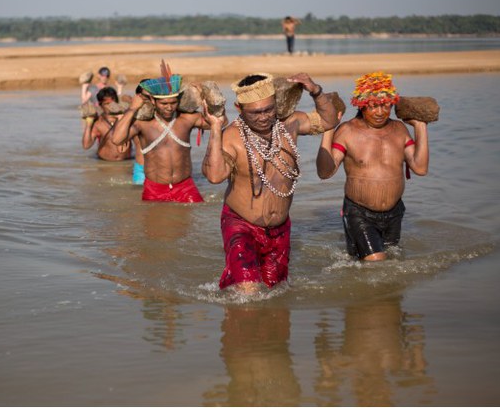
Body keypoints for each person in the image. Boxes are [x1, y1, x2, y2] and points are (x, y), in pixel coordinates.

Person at [202, 72, 338, 292]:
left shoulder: (290, 124)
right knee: (248, 291)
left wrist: (315, 91)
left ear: (276, 103)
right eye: (255, 112)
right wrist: (216, 127)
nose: (264, 117)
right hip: (241, 225)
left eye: (268, 109)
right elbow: (215, 176)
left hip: (280, 229)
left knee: (275, 293)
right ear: (239, 108)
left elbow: (329, 121)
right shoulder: (232, 136)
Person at [316, 71, 429, 261]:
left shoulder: (399, 129)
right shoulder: (348, 131)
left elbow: (420, 168)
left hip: (395, 212)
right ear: (361, 105)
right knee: (377, 262)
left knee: (390, 263)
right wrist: (328, 129)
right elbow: (324, 172)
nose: (380, 112)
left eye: (385, 105)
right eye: (373, 106)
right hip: (359, 213)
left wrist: (420, 126)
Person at [112, 62, 225, 203]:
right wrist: (132, 109)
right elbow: (117, 139)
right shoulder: (143, 124)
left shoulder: (186, 119)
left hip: (185, 186)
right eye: (164, 104)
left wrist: (211, 101)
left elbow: (219, 122)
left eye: (173, 103)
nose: (169, 108)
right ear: (153, 101)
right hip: (154, 188)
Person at [82, 86, 133, 161]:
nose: (111, 106)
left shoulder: (126, 119)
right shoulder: (98, 123)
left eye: (113, 103)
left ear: (117, 102)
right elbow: (86, 145)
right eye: (107, 104)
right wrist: (89, 122)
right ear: (100, 105)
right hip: (105, 164)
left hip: (127, 162)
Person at [131, 80, 148, 185]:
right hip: (141, 169)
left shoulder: (165, 113)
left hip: (162, 170)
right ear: (138, 96)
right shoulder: (132, 116)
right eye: (146, 97)